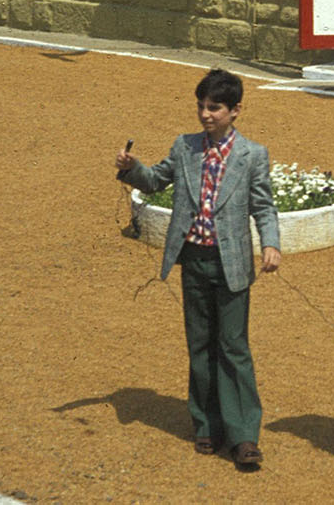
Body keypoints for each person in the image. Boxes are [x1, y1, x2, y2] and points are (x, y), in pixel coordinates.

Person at [113, 67, 283, 472]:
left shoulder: (252, 155)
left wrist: (272, 243)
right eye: (201, 106)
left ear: (236, 110)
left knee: (234, 347)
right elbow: (154, 181)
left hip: (233, 263)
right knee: (201, 343)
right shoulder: (185, 147)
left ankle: (243, 435)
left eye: (215, 107)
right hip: (193, 259)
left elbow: (263, 205)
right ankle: (207, 424)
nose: (206, 114)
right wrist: (132, 166)